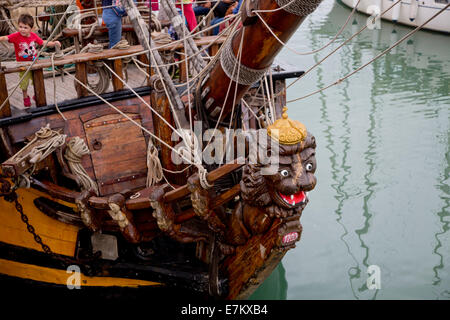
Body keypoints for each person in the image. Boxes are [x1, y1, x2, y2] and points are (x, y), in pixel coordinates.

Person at [0, 13, 61, 108]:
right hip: (22, 64)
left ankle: (36, 95)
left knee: (36, 80)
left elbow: (42, 42)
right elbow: (6, 37)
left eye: (25, 27)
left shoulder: (33, 36)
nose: (22, 29)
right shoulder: (16, 36)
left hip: (34, 63)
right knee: (24, 83)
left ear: (31, 29)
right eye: (20, 27)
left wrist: (54, 43)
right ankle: (25, 96)